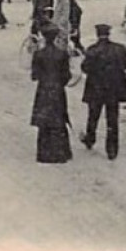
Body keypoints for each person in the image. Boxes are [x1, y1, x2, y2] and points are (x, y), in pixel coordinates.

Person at [80, 23, 126, 159]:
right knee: (112, 119)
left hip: (96, 88)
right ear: (108, 34)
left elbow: (85, 68)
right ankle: (112, 149)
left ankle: (90, 139)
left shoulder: (92, 50)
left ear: (97, 34)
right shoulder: (119, 49)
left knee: (93, 116)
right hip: (113, 90)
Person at [30, 22, 73, 164]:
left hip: (43, 90)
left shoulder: (38, 54)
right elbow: (67, 76)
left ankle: (44, 153)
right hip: (58, 90)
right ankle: (60, 152)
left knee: (44, 122)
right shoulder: (62, 54)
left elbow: (34, 75)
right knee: (59, 119)